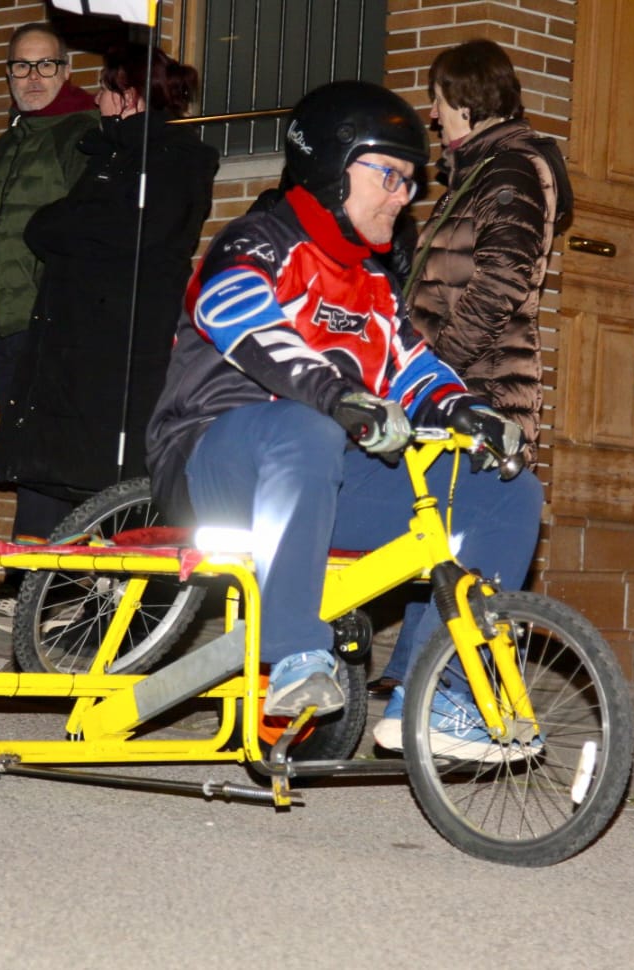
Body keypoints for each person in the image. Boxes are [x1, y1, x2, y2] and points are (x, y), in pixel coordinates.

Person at [145, 81, 541, 758]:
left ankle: (438, 699)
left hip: (319, 473)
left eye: (411, 182)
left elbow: (411, 367)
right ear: (332, 165)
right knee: (309, 427)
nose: (403, 196)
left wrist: (470, 411)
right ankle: (293, 654)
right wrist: (337, 397)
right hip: (213, 463)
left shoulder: (373, 282)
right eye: (389, 175)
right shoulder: (258, 241)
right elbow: (241, 319)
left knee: (502, 489)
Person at [367, 38, 573, 707]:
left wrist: (437, 371)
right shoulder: (479, 172)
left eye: (437, 100)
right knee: (439, 535)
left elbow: (501, 282)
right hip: (460, 381)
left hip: (480, 385)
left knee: (469, 536)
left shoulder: (510, 170)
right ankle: (412, 680)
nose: (432, 115)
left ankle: (446, 694)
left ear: (465, 97)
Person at [0, 43, 217, 516]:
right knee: (62, 474)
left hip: (125, 345)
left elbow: (127, 231)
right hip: (81, 342)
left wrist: (75, 227)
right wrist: (75, 226)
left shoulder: (174, 158)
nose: (95, 99)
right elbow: (45, 227)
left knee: (121, 477)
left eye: (105, 90)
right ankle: (47, 560)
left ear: (128, 95)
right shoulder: (108, 155)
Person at [0, 22, 99, 631]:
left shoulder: (79, 132)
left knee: (44, 456)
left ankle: (46, 585)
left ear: (66, 69)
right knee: (30, 455)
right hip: (8, 324)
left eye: (46, 65)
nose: (34, 77)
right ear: (8, 74)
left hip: (50, 320)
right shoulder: (9, 142)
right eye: (21, 66)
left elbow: (84, 231)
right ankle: (50, 582)